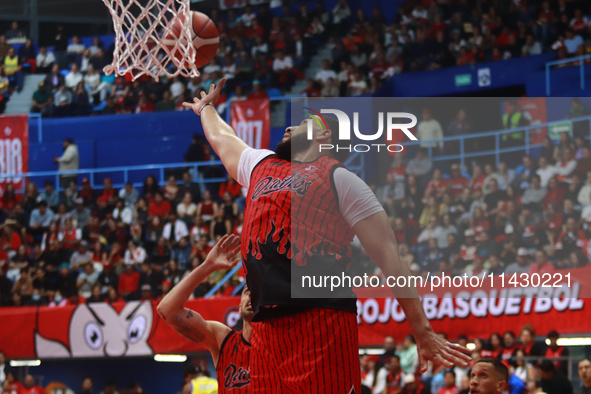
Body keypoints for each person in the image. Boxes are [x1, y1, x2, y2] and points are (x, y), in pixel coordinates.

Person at [182, 78, 470, 392]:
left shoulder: (341, 178)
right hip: (265, 327)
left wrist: (423, 331)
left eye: (304, 123)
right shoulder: (261, 164)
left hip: (321, 319)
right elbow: (225, 141)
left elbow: (391, 260)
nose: (289, 128)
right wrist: (206, 108)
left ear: (324, 135)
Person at [157, 235, 252, 392]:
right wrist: (208, 266)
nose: (252, 295)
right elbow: (167, 310)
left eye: (257, 291)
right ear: (239, 304)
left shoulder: (279, 342)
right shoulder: (223, 339)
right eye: (247, 291)